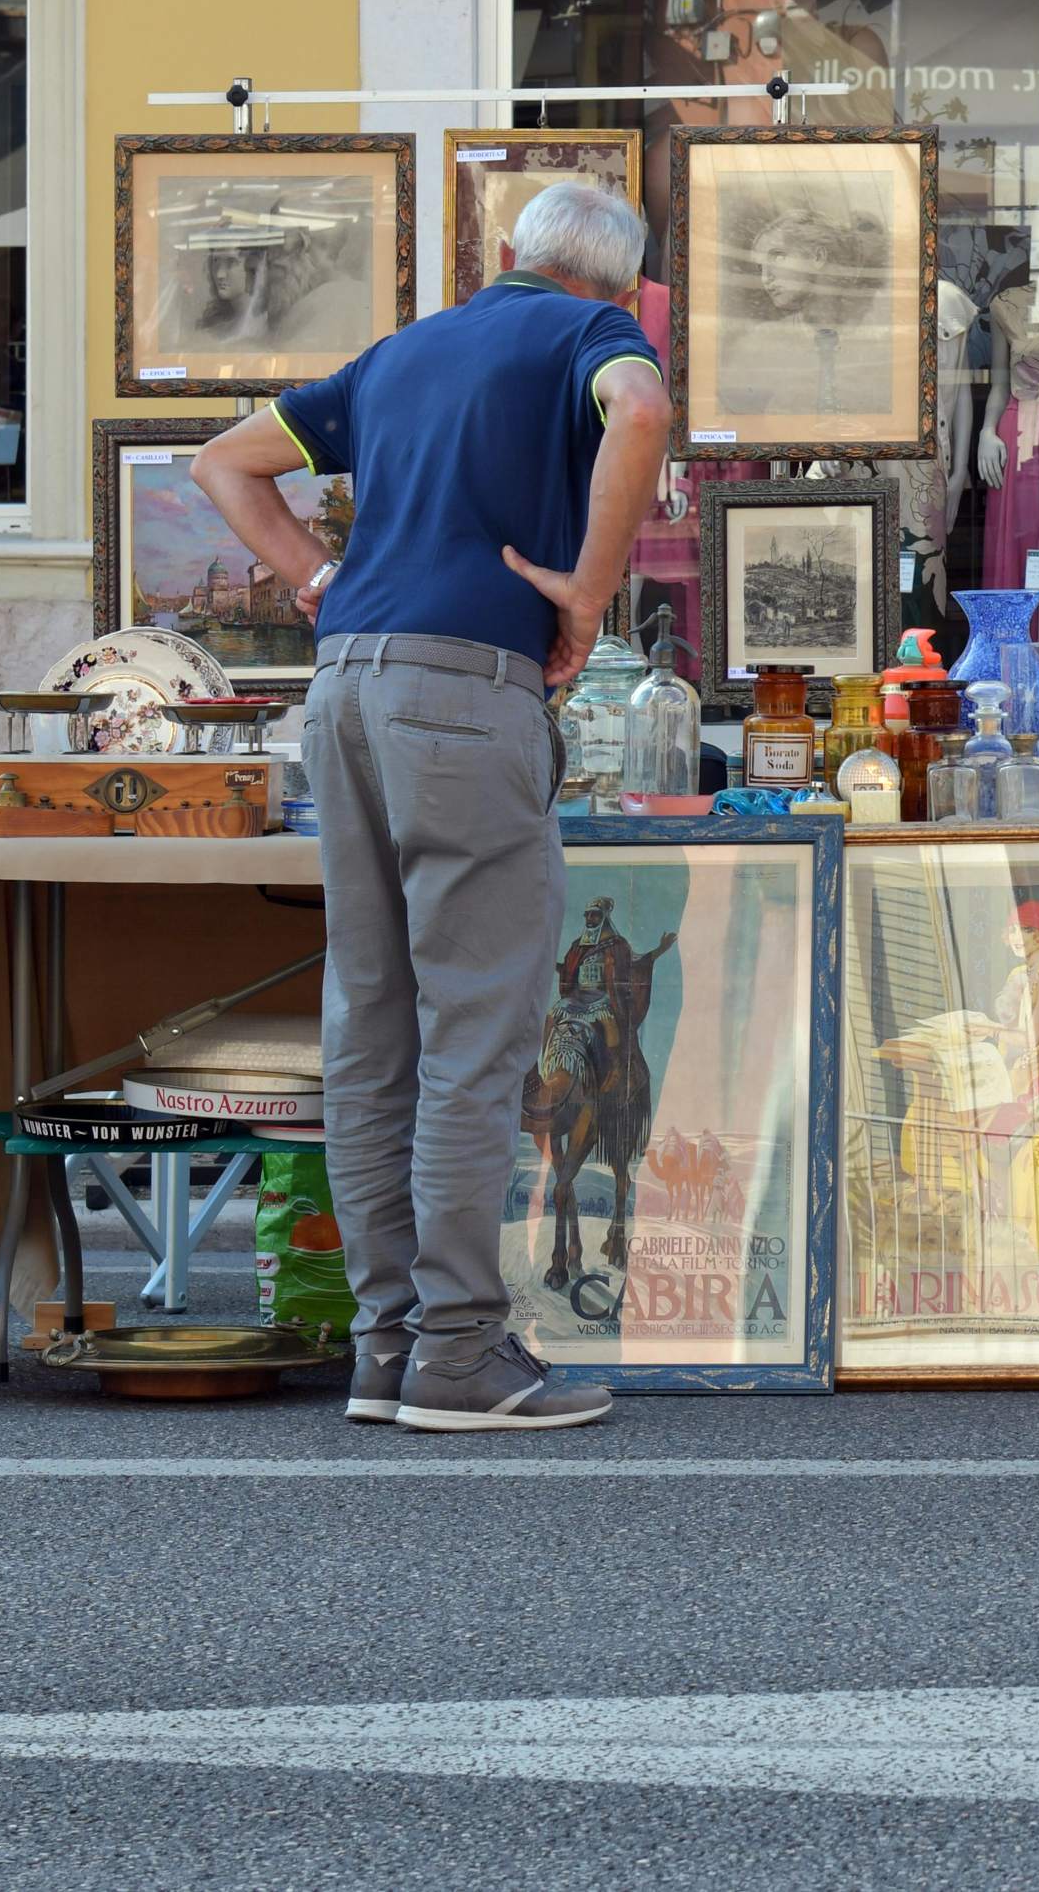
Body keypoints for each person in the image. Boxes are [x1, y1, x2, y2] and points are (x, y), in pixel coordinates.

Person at [189, 177, 671, 1435]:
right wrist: (587, 593)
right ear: (616, 288)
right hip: (463, 694)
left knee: (373, 1022)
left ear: (504, 253)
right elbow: (642, 411)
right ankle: (460, 1352)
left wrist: (315, 574)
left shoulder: (402, 351)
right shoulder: (589, 338)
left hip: (341, 690)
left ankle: (386, 1343)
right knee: (478, 1028)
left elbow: (224, 461)